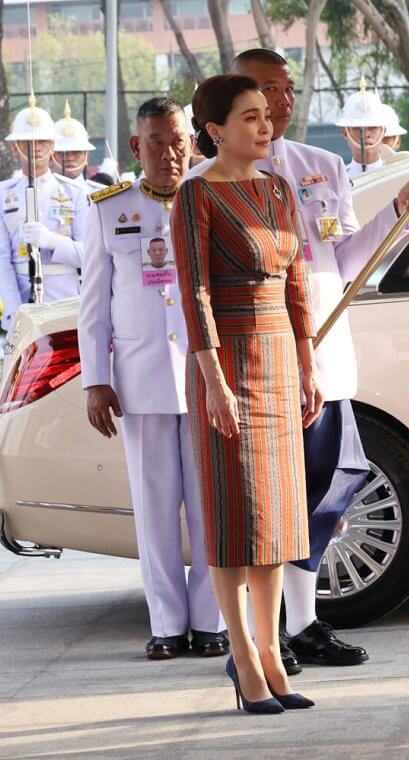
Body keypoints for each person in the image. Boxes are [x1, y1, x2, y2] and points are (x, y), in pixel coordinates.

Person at [192, 48, 409, 674]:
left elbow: (344, 261)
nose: (281, 101)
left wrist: (398, 216)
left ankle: (298, 625)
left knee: (328, 486)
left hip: (315, 359)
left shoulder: (319, 167)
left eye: (287, 88)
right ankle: (258, 640)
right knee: (257, 503)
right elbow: (195, 291)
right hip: (248, 365)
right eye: (266, 90)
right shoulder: (206, 185)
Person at [174, 73, 322, 714]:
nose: (266, 127)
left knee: (279, 521)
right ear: (215, 130)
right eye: (251, 117)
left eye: (268, 115)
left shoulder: (280, 189)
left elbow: (297, 288)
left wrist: (309, 367)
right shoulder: (195, 195)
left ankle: (272, 653)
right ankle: (242, 659)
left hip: (281, 364)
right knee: (237, 519)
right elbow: (195, 292)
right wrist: (213, 382)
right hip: (225, 367)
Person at [77, 96, 228, 661]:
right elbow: (93, 306)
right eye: (157, 144)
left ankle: (210, 619)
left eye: (178, 140)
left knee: (210, 504)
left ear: (193, 141)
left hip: (205, 376)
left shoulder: (211, 196)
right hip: (141, 380)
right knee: (155, 507)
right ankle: (167, 623)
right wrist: (97, 379)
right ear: (138, 147)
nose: (170, 153)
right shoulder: (108, 210)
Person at [0, 97, 88, 331]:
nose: (35, 147)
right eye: (27, 141)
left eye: (42, 140)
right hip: (22, 300)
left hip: (65, 302)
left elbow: (90, 254)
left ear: (53, 145)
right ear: (13, 146)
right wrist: (12, 314)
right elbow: (2, 260)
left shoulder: (74, 192)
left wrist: (53, 241)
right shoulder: (3, 194)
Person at [338, 78, 387, 177]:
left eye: (373, 127)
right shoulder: (338, 179)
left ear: (384, 131)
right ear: (344, 132)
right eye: (358, 128)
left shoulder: (396, 174)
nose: (366, 134)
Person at [51, 103, 103, 193]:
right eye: (63, 153)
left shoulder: (99, 194)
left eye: (77, 152)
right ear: (51, 157)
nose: (70, 158)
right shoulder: (39, 195)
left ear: (87, 157)